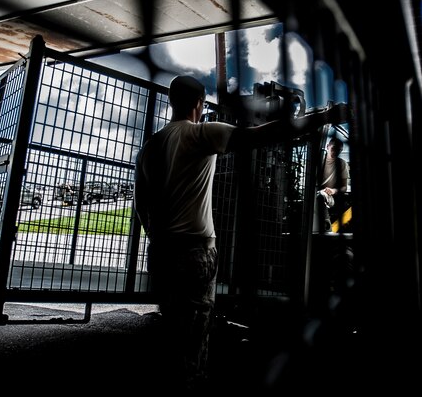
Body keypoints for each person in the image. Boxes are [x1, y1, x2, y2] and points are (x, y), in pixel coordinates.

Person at [134, 75, 336, 392]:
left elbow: (141, 202)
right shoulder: (202, 134)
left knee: (171, 326)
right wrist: (321, 117)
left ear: (173, 102)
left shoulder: (150, 147)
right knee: (195, 332)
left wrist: (159, 237)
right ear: (199, 104)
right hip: (195, 249)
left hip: (160, 251)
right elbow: (264, 134)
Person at [316, 136, 349, 231]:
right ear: (327, 146)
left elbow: (344, 187)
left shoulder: (342, 164)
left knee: (321, 197)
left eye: (339, 150)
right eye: (334, 148)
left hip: (331, 196)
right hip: (317, 193)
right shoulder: (319, 162)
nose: (336, 152)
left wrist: (333, 191)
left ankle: (327, 230)